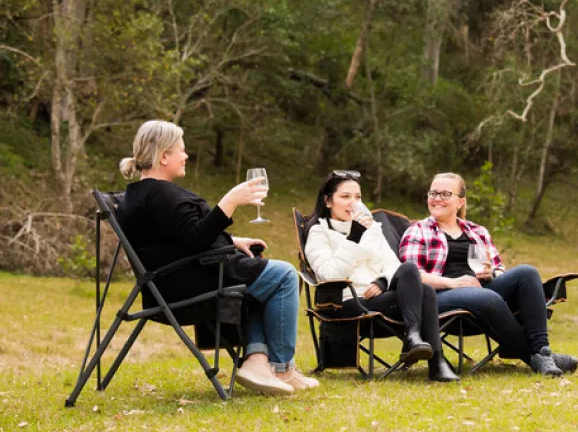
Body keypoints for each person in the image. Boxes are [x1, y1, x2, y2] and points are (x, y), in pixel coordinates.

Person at [117, 120, 318, 395]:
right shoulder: (161, 194)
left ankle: (257, 361)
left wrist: (232, 241)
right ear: (163, 156)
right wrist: (231, 201)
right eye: (181, 150)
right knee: (283, 275)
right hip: (194, 282)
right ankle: (283, 369)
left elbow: (172, 239)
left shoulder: (139, 195)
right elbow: (194, 239)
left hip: (173, 282)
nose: (186, 156)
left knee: (261, 277)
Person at [399, 172, 578, 377]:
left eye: (445, 194)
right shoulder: (418, 231)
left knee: (527, 273)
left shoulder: (477, 231)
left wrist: (490, 273)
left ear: (460, 201)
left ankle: (542, 351)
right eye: (433, 193)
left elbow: (499, 268)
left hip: (479, 289)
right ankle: (536, 357)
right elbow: (412, 276)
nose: (437, 198)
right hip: (439, 296)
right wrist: (452, 283)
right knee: (487, 297)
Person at [303, 171, 459, 382]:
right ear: (328, 201)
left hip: (378, 297)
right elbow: (328, 275)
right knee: (426, 292)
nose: (353, 203)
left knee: (412, 272)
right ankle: (433, 359)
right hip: (347, 302)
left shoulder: (371, 228)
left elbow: (393, 265)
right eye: (345, 197)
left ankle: (415, 339)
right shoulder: (318, 233)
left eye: (357, 197)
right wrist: (354, 237)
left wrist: (383, 281)